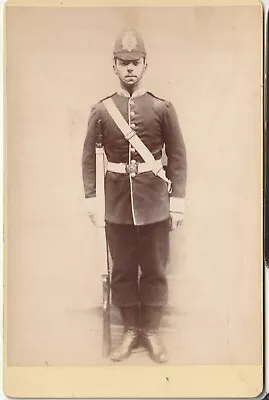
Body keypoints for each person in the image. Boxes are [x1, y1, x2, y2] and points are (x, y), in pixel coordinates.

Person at [82, 29, 187, 363]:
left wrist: (178, 201)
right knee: (123, 270)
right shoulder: (102, 110)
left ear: (145, 64)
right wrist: (92, 200)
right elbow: (88, 158)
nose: (129, 68)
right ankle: (129, 331)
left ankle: (151, 332)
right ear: (114, 65)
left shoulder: (162, 108)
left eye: (135, 62)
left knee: (155, 268)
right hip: (116, 207)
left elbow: (179, 157)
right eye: (123, 62)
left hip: (155, 204)